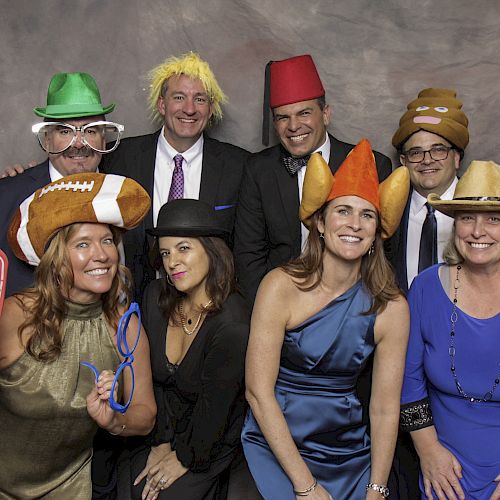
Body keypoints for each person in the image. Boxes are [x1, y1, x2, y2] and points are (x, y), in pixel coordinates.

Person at [241, 139, 410, 499]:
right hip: (275, 442)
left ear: (378, 232)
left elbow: (383, 409)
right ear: (319, 222)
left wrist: (377, 488)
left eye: (367, 215)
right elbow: (258, 392)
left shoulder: (391, 307)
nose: (355, 224)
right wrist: (306, 487)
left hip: (346, 450)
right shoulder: (279, 286)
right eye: (343, 211)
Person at [0, 172, 156, 498]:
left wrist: (114, 419)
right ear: (56, 258)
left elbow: (145, 416)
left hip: (69, 487)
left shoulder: (123, 326)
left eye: (108, 241)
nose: (102, 255)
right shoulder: (18, 315)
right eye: (83, 244)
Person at [234, 54, 393, 305]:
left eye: (304, 113)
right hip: (281, 300)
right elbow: (248, 255)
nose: (294, 126)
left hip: (353, 301)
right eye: (282, 117)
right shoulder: (258, 170)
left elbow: (383, 251)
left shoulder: (371, 163)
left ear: (326, 114)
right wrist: (269, 311)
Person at [124, 199, 250, 499]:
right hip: (160, 429)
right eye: (166, 252)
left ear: (211, 249)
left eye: (184, 248)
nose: (172, 262)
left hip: (209, 440)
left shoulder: (232, 322)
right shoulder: (156, 297)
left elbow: (215, 410)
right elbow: (152, 380)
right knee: (128, 484)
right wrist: (161, 443)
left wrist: (181, 458)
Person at [100, 52, 250, 301]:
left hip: (211, 307)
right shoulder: (119, 157)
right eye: (179, 97)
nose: (189, 109)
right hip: (135, 305)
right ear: (162, 104)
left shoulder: (240, 165)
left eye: (199, 99)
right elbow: (77, 171)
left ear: (210, 108)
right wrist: (24, 175)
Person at [400, 160, 500, 500]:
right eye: (467, 218)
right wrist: (428, 451)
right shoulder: (426, 287)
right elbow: (408, 381)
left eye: (493, 219)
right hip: (442, 472)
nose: (477, 231)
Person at [0, 71, 124, 297]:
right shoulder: (7, 196)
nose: (78, 143)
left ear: (104, 139)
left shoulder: (123, 194)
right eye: (65, 131)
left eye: (90, 130)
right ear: (47, 139)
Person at [390, 87, 469, 294]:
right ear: (403, 162)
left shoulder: (482, 210)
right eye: (416, 153)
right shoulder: (386, 211)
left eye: (438, 150)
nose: (427, 160)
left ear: (457, 157)